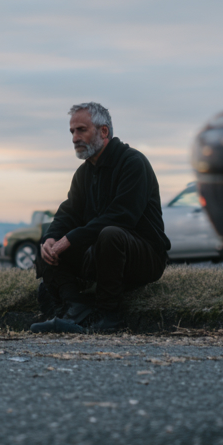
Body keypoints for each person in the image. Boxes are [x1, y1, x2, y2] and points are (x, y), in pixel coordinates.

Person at [30, 103, 170, 334]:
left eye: (81, 130)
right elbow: (68, 213)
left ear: (103, 131)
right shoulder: (83, 173)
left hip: (144, 257)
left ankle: (108, 316)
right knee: (48, 243)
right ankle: (74, 309)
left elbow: (122, 216)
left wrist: (71, 239)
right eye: (72, 132)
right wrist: (52, 238)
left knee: (110, 233)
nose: (75, 138)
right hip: (100, 254)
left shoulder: (133, 162)